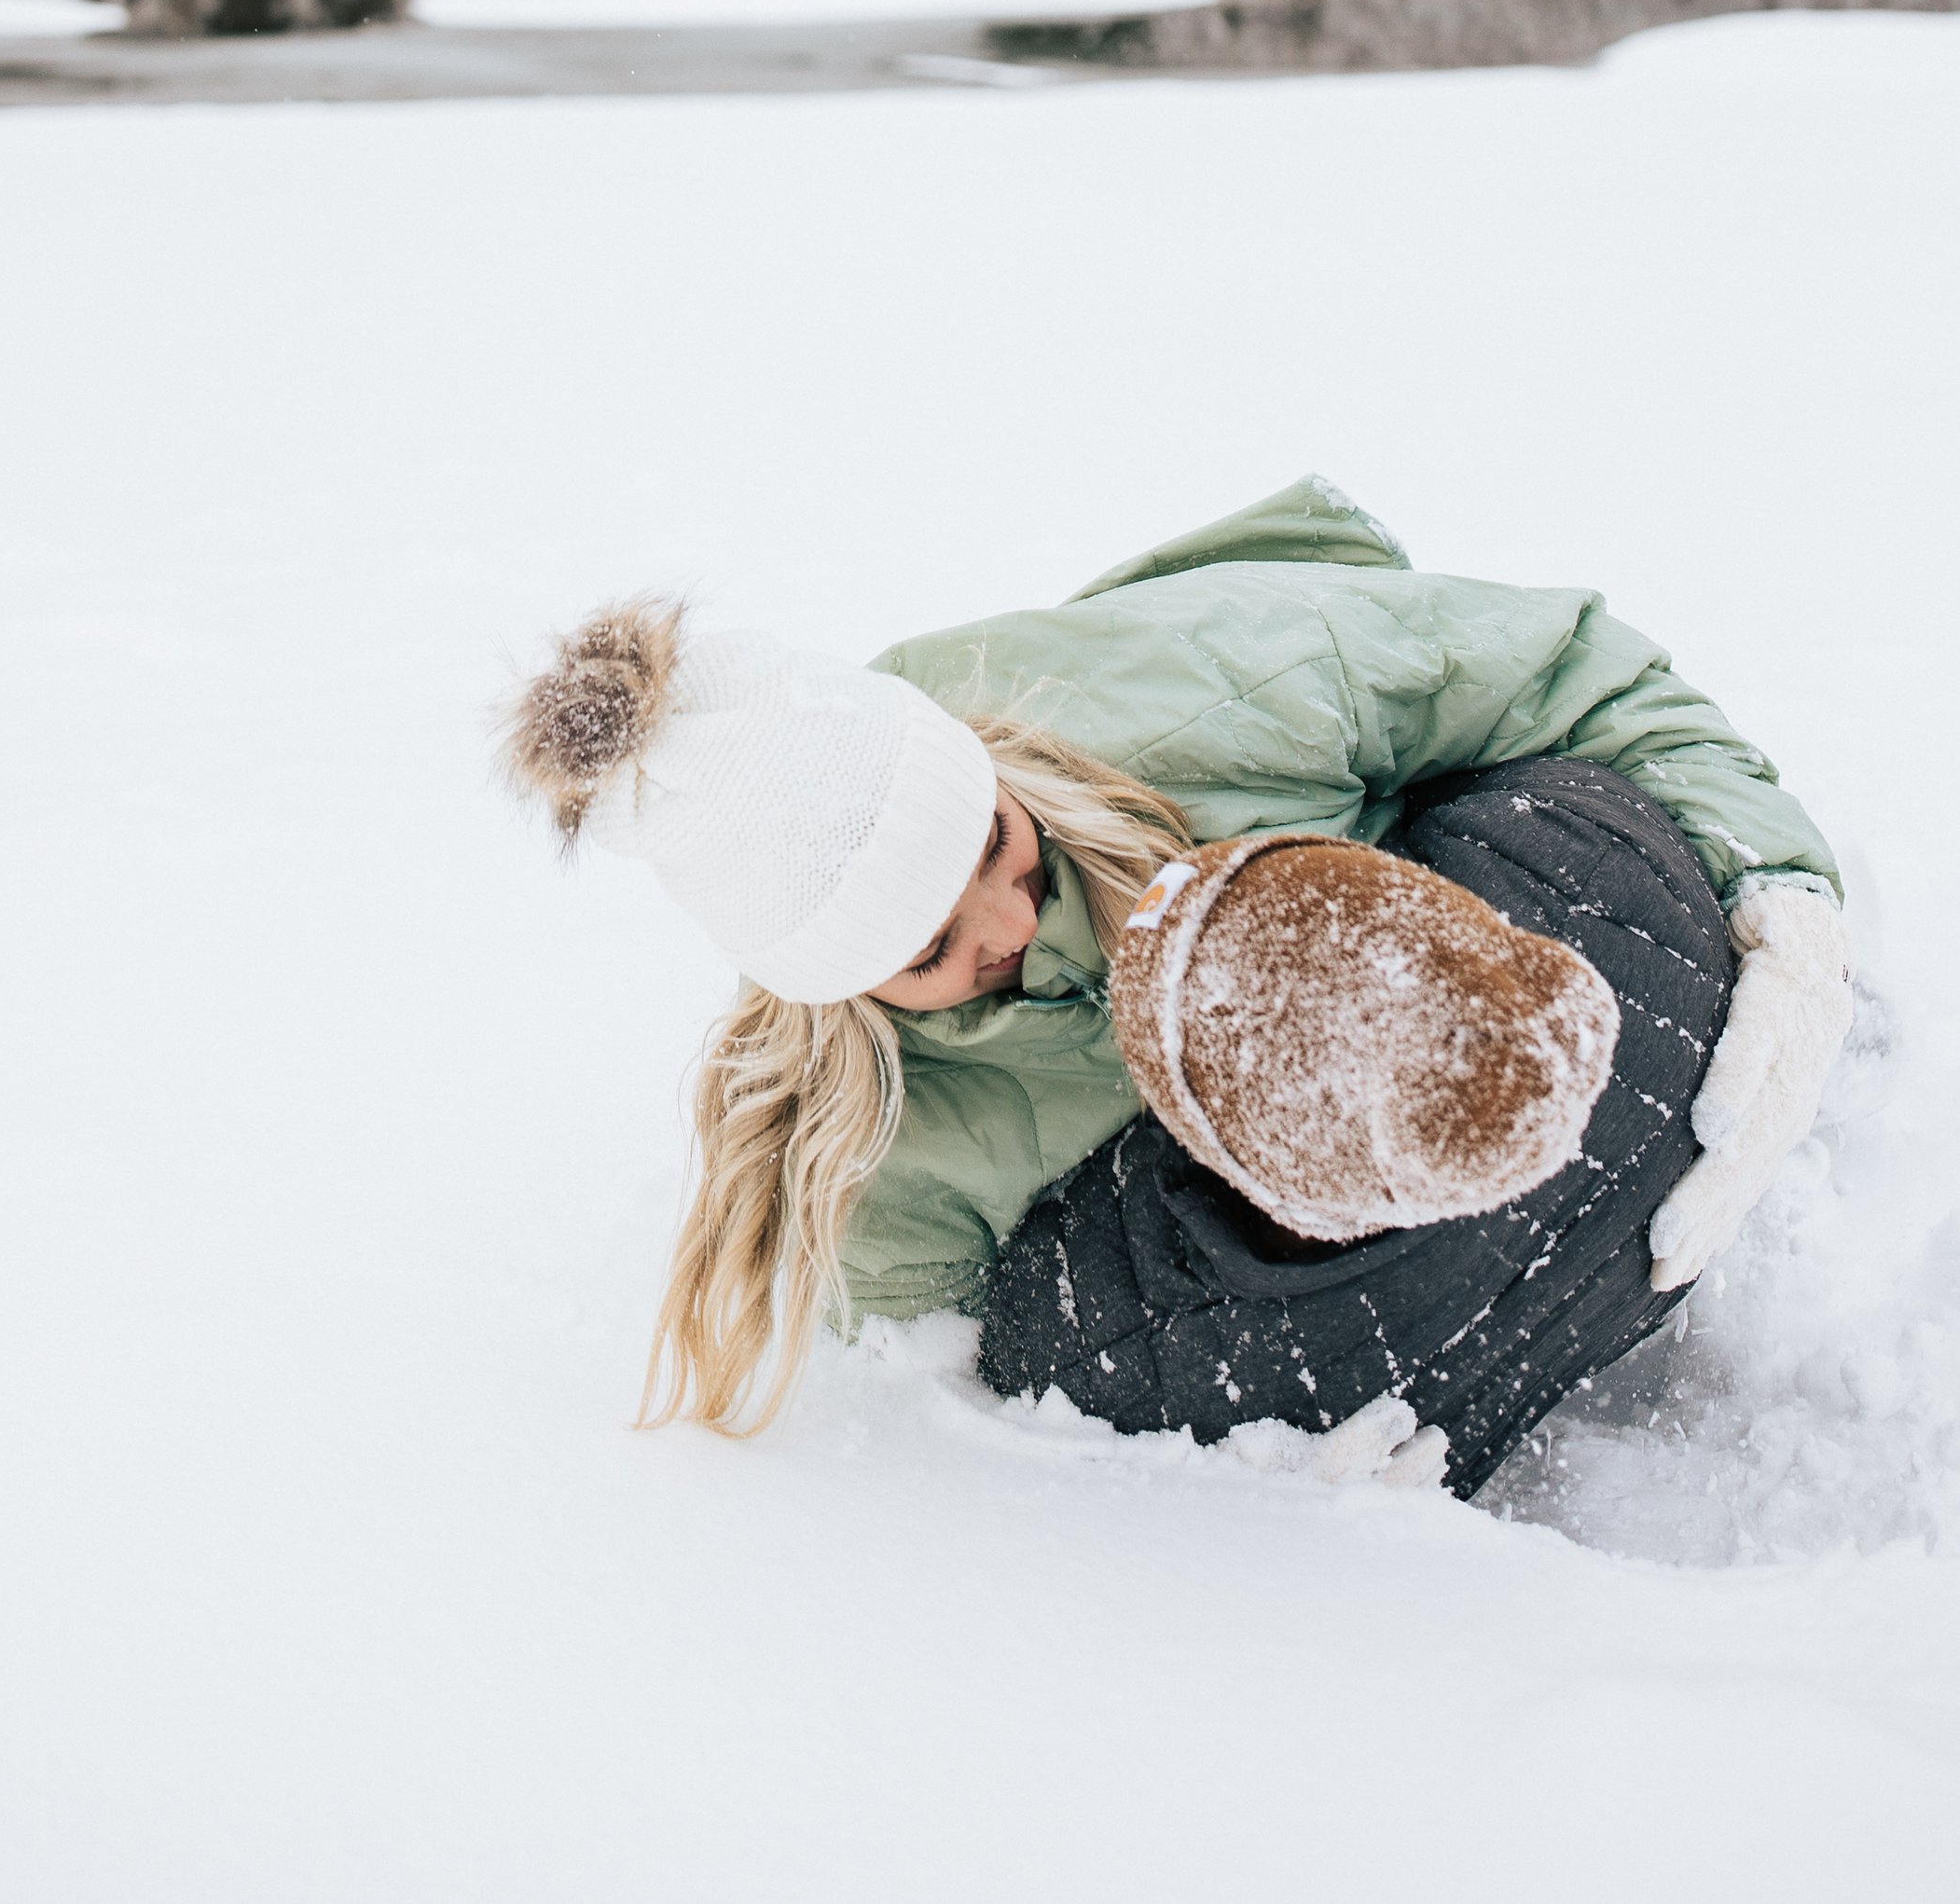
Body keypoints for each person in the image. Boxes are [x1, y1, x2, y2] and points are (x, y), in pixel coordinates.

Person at [504, 478, 1848, 1496]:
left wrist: (1782, 895)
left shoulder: (1211, 692)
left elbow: (1562, 667)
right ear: (841, 986)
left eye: (986, 842)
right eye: (927, 950)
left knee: (1533, 871)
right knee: (1070, 1341)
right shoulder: (879, 1156)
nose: (1005, 916)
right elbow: (950, 1379)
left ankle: (1586, 1180)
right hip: (1237, 1204)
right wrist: (1205, 1459)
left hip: (1447, 938)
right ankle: (1531, 1292)